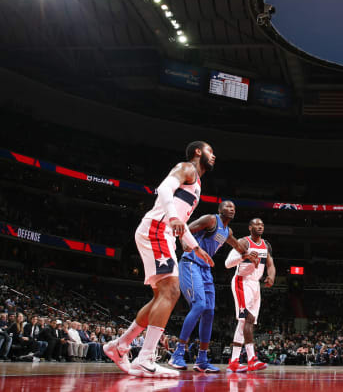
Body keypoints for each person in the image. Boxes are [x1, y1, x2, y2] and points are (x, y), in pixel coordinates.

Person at [104, 141, 215, 377]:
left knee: (160, 297)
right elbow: (164, 189)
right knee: (172, 291)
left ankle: (120, 345)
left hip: (161, 233)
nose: (213, 156)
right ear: (198, 152)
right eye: (210, 151)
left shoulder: (197, 183)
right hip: (157, 230)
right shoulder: (187, 168)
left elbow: (180, 221)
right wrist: (173, 217)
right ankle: (145, 358)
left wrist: (195, 248)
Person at [168, 200, 250, 372]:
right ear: (220, 210)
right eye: (227, 206)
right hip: (191, 263)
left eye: (234, 207)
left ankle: (202, 360)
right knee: (199, 305)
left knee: (209, 312)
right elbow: (186, 229)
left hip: (205, 269)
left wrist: (249, 255)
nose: (231, 209)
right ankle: (177, 354)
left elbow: (236, 245)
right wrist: (185, 243)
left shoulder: (227, 231)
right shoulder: (211, 220)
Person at [225, 218, 276, 372]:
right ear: (249, 227)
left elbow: (270, 264)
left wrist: (271, 276)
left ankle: (234, 361)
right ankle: (251, 359)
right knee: (248, 318)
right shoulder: (243, 243)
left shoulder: (266, 245)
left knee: (245, 322)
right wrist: (244, 256)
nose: (260, 226)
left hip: (255, 285)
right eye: (256, 224)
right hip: (242, 282)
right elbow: (228, 263)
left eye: (262, 224)